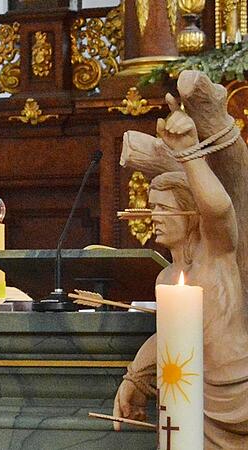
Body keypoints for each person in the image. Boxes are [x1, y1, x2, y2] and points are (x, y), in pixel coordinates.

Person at [113, 95, 248, 447]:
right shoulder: (167, 278)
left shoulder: (216, 253)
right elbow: (171, 337)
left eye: (163, 208)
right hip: (189, 396)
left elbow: (218, 210)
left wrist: (189, 152)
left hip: (236, 391)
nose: (154, 217)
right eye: (151, 208)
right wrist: (135, 378)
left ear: (190, 214)